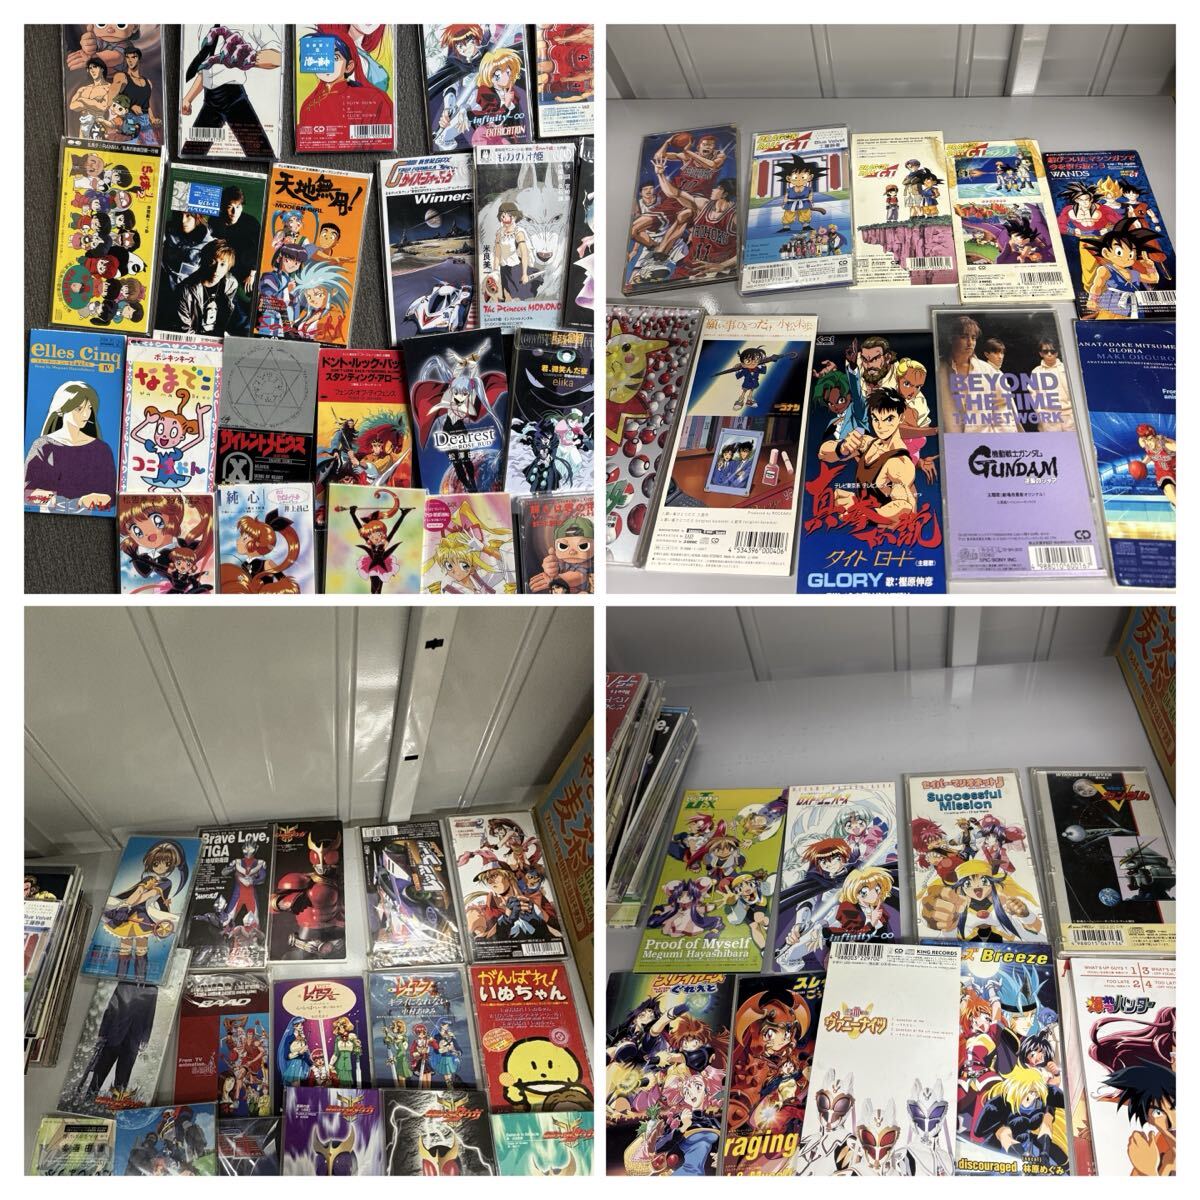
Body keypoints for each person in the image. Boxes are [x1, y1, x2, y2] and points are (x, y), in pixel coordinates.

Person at [180, 25, 281, 157]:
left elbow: (279, 57)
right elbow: (207, 69)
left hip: (234, 100)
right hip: (210, 101)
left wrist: (251, 58)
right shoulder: (203, 26)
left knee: (261, 154)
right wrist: (188, 98)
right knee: (190, 154)